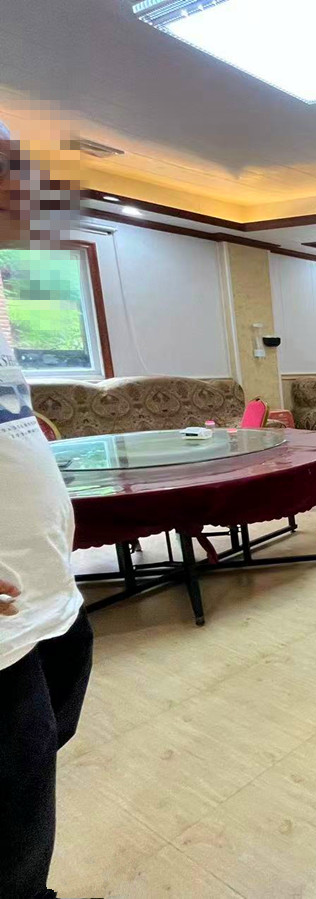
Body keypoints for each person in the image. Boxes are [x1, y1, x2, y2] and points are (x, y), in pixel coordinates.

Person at [1, 121, 93, 898]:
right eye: (6, 166)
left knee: (34, 769)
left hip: (46, 591)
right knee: (15, 834)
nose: (24, 182)